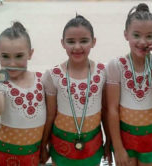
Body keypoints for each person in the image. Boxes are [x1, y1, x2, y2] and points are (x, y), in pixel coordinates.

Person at [106, 3, 152, 166]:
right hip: (125, 139)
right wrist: (117, 147)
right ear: (126, 35)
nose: (142, 42)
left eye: (149, 36)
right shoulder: (116, 65)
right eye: (136, 35)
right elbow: (112, 109)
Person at [40, 14, 112, 166]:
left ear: (93, 42)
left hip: (93, 144)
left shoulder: (102, 72)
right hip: (61, 145)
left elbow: (105, 111)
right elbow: (50, 115)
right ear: (62, 43)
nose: (77, 46)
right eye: (71, 41)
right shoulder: (53, 75)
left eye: (84, 41)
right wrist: (42, 145)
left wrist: (109, 141)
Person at [0, 21, 46, 165]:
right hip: (2, 156)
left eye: (19, 56)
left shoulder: (41, 79)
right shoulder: (0, 82)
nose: (12, 63)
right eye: (5, 56)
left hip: (31, 156)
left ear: (30, 53)